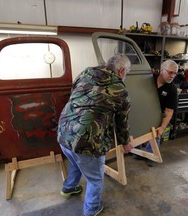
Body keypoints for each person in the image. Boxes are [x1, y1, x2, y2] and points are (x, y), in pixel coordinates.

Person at [57, 54, 133, 216]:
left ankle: (69, 188)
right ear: (121, 70)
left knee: (76, 160)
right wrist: (125, 142)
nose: (126, 76)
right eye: (127, 72)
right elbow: (122, 122)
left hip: (64, 133)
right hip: (88, 142)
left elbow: (73, 92)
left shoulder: (87, 73)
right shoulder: (121, 90)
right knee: (95, 180)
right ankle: (92, 210)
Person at [145, 60, 178, 152]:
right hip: (143, 113)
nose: (172, 76)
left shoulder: (172, 89)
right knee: (137, 141)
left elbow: (169, 111)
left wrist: (162, 127)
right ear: (162, 70)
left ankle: (150, 156)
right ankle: (137, 152)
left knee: (154, 140)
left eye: (175, 73)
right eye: (170, 72)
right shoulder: (149, 79)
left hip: (158, 118)